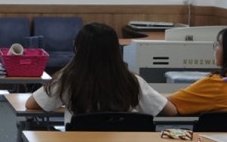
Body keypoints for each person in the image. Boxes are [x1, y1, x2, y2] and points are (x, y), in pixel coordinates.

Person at [25, 23, 177, 122]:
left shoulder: (68, 80)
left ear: (77, 49)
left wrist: (71, 67)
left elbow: (31, 104)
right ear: (115, 51)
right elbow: (170, 111)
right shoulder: (132, 81)